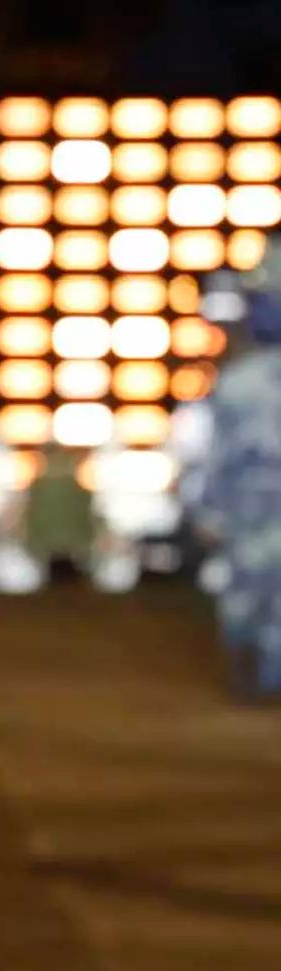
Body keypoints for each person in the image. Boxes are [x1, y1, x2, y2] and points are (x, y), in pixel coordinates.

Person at [200, 240, 281, 698]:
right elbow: (220, 454)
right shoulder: (239, 382)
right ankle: (253, 672)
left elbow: (217, 455)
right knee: (246, 601)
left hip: (251, 508)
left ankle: (259, 671)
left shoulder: (239, 381)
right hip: (252, 508)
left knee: (249, 599)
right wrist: (210, 509)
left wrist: (209, 509)